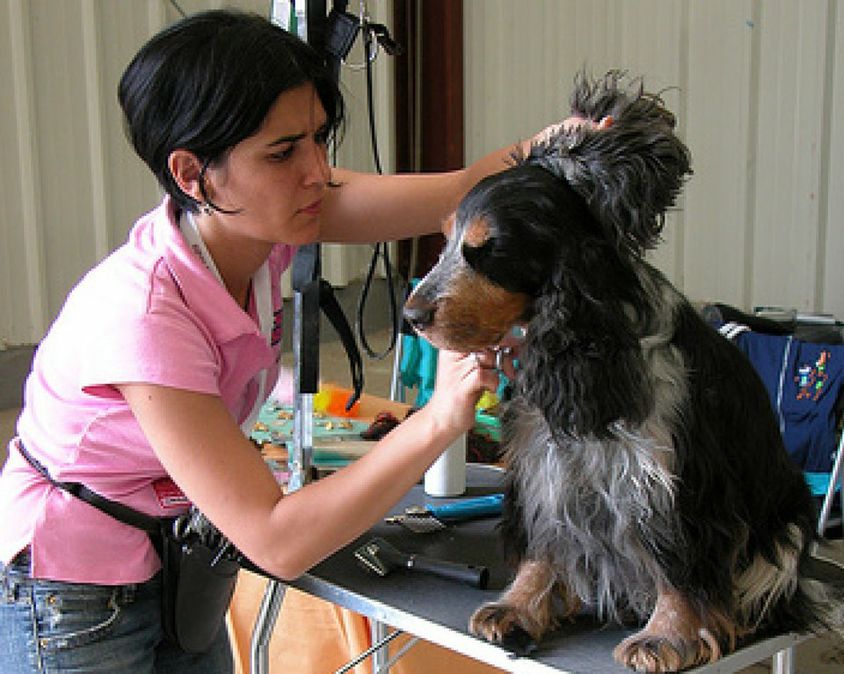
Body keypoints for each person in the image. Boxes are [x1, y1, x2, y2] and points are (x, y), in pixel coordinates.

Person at [0, 9, 570, 673]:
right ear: (193, 174)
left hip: (177, 560)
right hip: (73, 595)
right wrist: (440, 418)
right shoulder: (145, 318)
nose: (316, 172)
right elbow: (276, 541)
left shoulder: (263, 219)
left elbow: (457, 190)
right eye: (282, 152)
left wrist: (558, 147)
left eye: (317, 139)